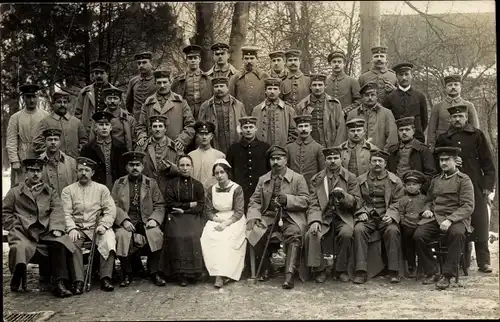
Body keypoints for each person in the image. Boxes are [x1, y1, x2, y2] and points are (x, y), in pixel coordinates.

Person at [435, 105, 496, 273]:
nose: (457, 119)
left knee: (480, 222)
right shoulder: (444, 138)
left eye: (460, 116)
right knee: (458, 221)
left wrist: (487, 186)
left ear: (466, 117)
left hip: (475, 185)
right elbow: (436, 161)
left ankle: (483, 261)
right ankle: (463, 260)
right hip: (452, 187)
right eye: (454, 117)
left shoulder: (477, 135)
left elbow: (488, 163)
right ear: (450, 119)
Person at [2, 158, 75, 297]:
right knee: (19, 248)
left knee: (59, 243)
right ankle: (17, 274)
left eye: (38, 171)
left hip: (45, 230)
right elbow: (5, 212)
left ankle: (59, 283)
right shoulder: (15, 192)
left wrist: (56, 227)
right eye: (32, 171)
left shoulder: (49, 191)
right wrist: (13, 226)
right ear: (26, 173)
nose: (36, 174)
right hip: (22, 232)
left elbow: (57, 209)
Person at [246, 145, 309, 289]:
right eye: (273, 159)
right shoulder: (263, 179)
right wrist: (254, 216)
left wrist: (288, 199)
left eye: (279, 158)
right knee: (254, 232)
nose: (276, 162)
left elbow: (305, 200)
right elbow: (255, 200)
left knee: (294, 235)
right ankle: (267, 268)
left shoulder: (298, 178)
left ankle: (289, 274)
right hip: (269, 216)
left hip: (290, 216)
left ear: (285, 160)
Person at [414, 147, 474, 290]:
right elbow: (429, 200)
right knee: (419, 235)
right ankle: (432, 270)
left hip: (457, 218)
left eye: (447, 160)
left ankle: (447, 275)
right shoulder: (436, 180)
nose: (443, 163)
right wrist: (427, 209)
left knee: (457, 234)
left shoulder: (463, 180)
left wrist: (451, 219)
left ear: (455, 161)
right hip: (437, 217)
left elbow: (468, 206)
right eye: (441, 160)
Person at [305, 147, 361, 283]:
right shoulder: (317, 178)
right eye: (329, 159)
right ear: (325, 161)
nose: (332, 161)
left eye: (335, 158)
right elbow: (313, 203)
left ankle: (340, 269)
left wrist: (344, 196)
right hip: (324, 217)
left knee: (347, 234)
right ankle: (320, 270)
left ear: (341, 159)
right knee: (312, 234)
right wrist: (314, 221)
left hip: (343, 216)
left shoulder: (350, 177)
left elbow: (357, 201)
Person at [61, 157, 117, 293]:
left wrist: (104, 225)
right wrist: (72, 228)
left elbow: (110, 210)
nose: (84, 173)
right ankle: (78, 281)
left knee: (108, 240)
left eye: (87, 170)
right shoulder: (68, 191)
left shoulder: (101, 189)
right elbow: (65, 213)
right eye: (81, 170)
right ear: (76, 172)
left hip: (96, 226)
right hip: (78, 227)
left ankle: (106, 278)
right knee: (72, 243)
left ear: (92, 172)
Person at [112, 151, 166, 287]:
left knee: (156, 234)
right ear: (126, 167)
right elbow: (113, 205)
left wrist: (154, 219)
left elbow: (160, 205)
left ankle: (154, 272)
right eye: (131, 165)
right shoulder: (119, 184)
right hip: (127, 222)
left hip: (146, 221)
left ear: (142, 166)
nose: (135, 168)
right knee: (121, 236)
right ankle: (127, 273)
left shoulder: (151, 183)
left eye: (138, 165)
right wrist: (123, 220)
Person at [353, 149, 404, 284]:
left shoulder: (395, 181)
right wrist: (361, 212)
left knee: (393, 231)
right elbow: (357, 199)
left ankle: (394, 270)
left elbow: (399, 201)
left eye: (380, 161)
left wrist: (392, 215)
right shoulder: (360, 180)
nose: (377, 164)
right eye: (374, 161)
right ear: (369, 163)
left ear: (385, 163)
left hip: (386, 215)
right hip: (368, 216)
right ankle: (361, 271)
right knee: (359, 230)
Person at [200, 159, 247, 288]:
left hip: (234, 219)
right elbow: (208, 211)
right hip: (217, 217)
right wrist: (217, 220)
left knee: (227, 238)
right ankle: (216, 273)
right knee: (208, 236)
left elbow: (239, 211)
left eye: (222, 172)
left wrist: (226, 223)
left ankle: (224, 274)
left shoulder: (237, 188)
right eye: (216, 173)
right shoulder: (212, 189)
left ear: (227, 173)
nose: (219, 175)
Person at [160, 155, 205, 286]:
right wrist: (190, 204)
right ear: (178, 167)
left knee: (194, 235)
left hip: (192, 216)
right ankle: (180, 274)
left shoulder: (198, 185)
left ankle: (194, 273)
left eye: (187, 165)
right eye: (182, 165)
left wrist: (185, 210)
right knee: (177, 235)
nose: (185, 168)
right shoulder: (171, 184)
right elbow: (170, 203)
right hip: (175, 216)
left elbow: (201, 206)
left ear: (192, 167)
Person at [136, 70, 195, 154]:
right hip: (152, 149)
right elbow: (141, 125)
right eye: (159, 83)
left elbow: (190, 125)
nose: (162, 86)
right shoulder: (148, 103)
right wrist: (142, 136)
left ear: (170, 82)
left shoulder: (180, 102)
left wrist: (182, 140)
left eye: (165, 82)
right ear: (155, 84)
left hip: (175, 147)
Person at [385, 170, 429, 277]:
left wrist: (425, 214)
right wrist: (403, 221)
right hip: (407, 227)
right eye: (408, 185)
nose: (411, 187)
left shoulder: (424, 199)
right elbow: (400, 212)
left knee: (420, 243)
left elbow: (427, 208)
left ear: (420, 186)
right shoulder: (403, 200)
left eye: (414, 184)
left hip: (419, 225)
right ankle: (411, 265)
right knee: (408, 246)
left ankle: (422, 266)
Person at [7, 83, 49, 186]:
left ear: (38, 97)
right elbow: (11, 139)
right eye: (28, 97)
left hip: (40, 156)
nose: (31, 100)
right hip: (22, 157)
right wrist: (14, 160)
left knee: (41, 187)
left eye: (34, 97)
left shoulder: (46, 116)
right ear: (23, 98)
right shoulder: (15, 117)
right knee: (21, 187)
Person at [226, 116, 271, 211]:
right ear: (241, 129)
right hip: (240, 192)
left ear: (256, 128)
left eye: (251, 127)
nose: (248, 130)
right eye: (245, 127)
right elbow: (229, 173)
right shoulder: (233, 149)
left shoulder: (265, 148)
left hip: (260, 192)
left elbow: (269, 171)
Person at [426, 74, 480, 150]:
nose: (453, 87)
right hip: (442, 146)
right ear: (445, 88)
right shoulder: (437, 107)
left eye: (456, 84)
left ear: (461, 87)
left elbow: (475, 129)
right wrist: (431, 147)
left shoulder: (469, 106)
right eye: (450, 85)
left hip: (464, 145)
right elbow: (431, 130)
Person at [80, 111, 127, 191]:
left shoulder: (120, 146)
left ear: (111, 127)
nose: (104, 127)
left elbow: (124, 170)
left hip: (116, 187)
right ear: (95, 128)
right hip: (95, 188)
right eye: (101, 125)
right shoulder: (87, 148)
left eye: (107, 124)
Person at [198, 77, 247, 155]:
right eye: (216, 86)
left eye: (221, 86)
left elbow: (245, 126)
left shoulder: (238, 105)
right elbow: (200, 129)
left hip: (235, 144)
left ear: (227, 88)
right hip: (215, 145)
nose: (219, 89)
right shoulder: (206, 106)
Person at [295, 73, 347, 147]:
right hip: (309, 145)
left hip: (330, 143)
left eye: (320, 85)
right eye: (314, 85)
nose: (317, 88)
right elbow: (297, 128)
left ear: (325, 86)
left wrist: (336, 147)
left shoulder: (334, 103)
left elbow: (341, 128)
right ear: (310, 87)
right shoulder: (302, 105)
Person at [382, 63, 428, 143]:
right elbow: (386, 121)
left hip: (417, 139)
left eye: (407, 74)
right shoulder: (389, 98)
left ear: (411, 75)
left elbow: (424, 120)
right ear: (396, 77)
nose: (404, 78)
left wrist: (417, 131)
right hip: (397, 140)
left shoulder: (420, 96)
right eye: (401, 75)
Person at [33, 91, 88, 158]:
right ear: (53, 104)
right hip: (52, 163)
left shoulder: (77, 122)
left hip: (74, 162)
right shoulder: (45, 122)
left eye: (65, 102)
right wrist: (51, 154)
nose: (62, 105)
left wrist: (78, 153)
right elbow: (38, 143)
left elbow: (84, 141)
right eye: (59, 102)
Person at [346, 82, 398, 151]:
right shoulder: (352, 114)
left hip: (379, 157)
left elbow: (392, 138)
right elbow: (346, 137)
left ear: (377, 97)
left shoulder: (387, 113)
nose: (370, 98)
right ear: (362, 97)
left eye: (372, 95)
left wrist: (383, 155)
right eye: (367, 95)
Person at [387, 116, 437, 188]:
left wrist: (419, 188)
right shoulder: (392, 150)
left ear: (413, 131)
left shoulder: (423, 149)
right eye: (401, 130)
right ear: (398, 132)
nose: (404, 132)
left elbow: (431, 174)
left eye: (407, 129)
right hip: (395, 189)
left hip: (416, 190)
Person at [137, 115, 181, 196]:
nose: (157, 129)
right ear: (150, 129)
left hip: (169, 190)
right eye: (155, 126)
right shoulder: (142, 146)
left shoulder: (175, 147)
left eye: (160, 126)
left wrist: (171, 168)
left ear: (165, 129)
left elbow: (182, 170)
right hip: (146, 190)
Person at [73, 61, 117, 134]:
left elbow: (120, 113)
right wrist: (82, 128)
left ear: (107, 74)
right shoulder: (85, 92)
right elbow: (77, 113)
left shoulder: (115, 92)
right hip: (89, 130)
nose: (99, 76)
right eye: (96, 73)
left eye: (102, 73)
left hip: (108, 129)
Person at [252, 78, 297, 147]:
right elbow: (252, 132)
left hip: (282, 151)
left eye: (275, 89)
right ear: (265, 91)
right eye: (269, 89)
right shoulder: (257, 110)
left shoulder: (289, 109)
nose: (272, 92)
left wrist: (285, 147)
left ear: (279, 91)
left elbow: (294, 132)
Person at [171, 45, 213, 119]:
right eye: (190, 58)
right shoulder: (178, 81)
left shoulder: (208, 79)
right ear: (186, 60)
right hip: (185, 113)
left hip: (204, 113)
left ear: (199, 59)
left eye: (195, 58)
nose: (193, 60)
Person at [229, 46, 270, 116]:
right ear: (242, 59)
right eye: (246, 58)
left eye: (252, 58)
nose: (249, 61)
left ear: (257, 59)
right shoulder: (235, 78)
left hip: (261, 115)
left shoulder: (265, 77)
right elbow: (231, 99)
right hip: (241, 116)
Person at [286, 114, 325, 186]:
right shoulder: (289, 148)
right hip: (293, 187)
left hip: (312, 188)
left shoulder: (318, 148)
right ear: (296, 129)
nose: (303, 129)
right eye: (300, 126)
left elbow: (322, 173)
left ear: (311, 128)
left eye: (306, 126)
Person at [39, 128, 78, 196]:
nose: (53, 142)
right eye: (50, 139)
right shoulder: (39, 162)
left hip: (66, 201)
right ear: (45, 142)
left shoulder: (71, 162)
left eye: (56, 139)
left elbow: (75, 185)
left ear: (60, 142)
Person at [188, 121, 225, 190]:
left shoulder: (220, 156)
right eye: (201, 134)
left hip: (214, 193)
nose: (204, 137)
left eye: (207, 134)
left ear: (211, 136)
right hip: (195, 193)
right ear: (197, 135)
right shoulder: (190, 156)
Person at [325, 49, 361, 115]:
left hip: (347, 118)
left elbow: (359, 101)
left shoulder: (352, 81)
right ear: (330, 64)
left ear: (344, 64)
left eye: (339, 62)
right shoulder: (325, 81)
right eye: (334, 62)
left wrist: (345, 111)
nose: (336, 64)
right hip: (328, 118)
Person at [126, 51, 157, 121]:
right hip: (137, 120)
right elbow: (129, 103)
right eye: (139, 63)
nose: (141, 65)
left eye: (144, 62)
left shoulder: (158, 79)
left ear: (151, 63)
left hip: (154, 119)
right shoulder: (133, 81)